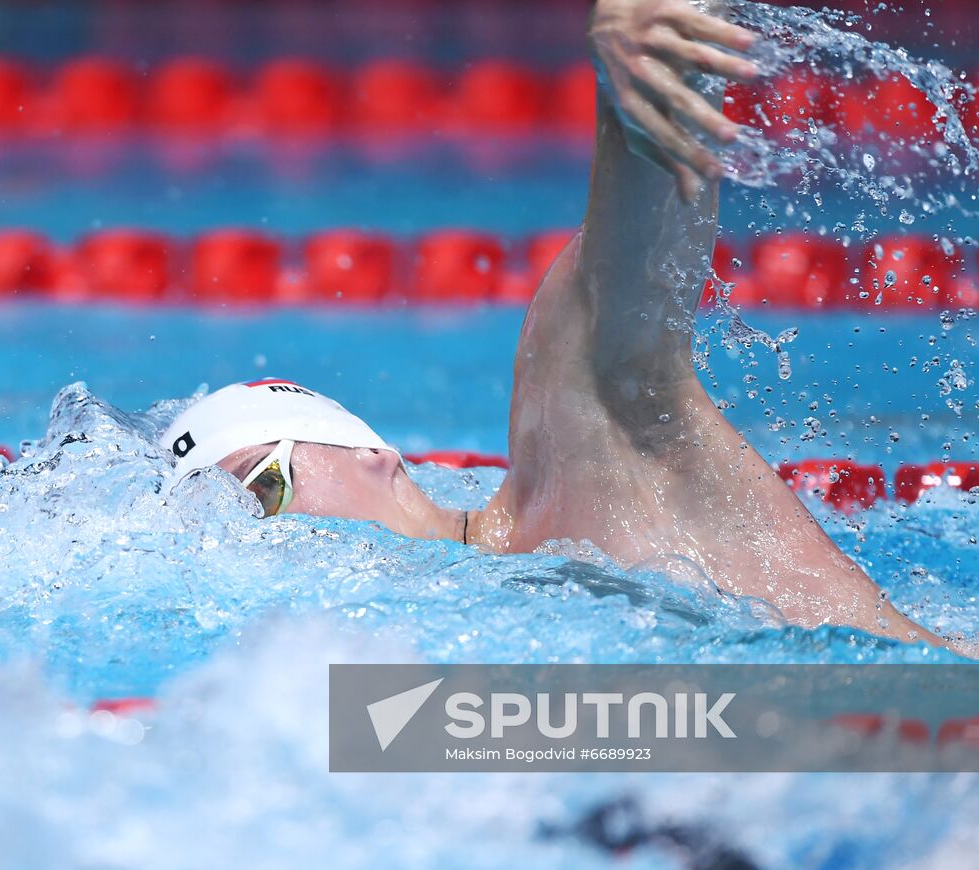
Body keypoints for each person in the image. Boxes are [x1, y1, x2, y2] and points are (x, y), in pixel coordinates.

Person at [161, 0, 958, 651]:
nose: (252, 544)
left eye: (262, 491)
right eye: (218, 534)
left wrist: (637, 77)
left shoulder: (574, 474)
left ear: (376, 458)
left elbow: (628, 303)